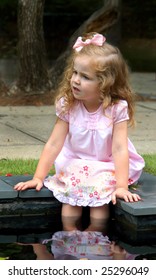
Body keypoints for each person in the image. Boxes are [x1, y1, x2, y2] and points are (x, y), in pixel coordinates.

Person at [14, 32, 145, 230]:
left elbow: (119, 149)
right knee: (69, 203)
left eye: (85, 77)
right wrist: (38, 177)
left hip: (106, 164)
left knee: (99, 206)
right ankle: (69, 240)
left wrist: (121, 187)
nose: (75, 80)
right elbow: (54, 143)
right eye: (75, 73)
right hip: (76, 161)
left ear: (105, 83)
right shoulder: (69, 105)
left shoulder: (116, 108)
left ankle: (95, 242)